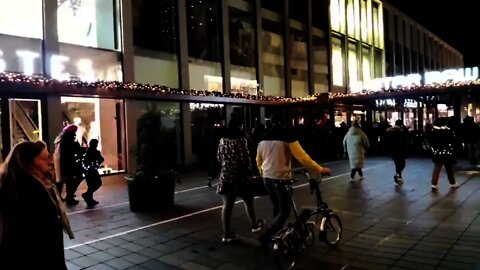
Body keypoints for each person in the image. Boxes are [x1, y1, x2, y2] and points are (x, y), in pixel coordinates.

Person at [256, 113, 331, 248]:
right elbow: (303, 158)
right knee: (285, 211)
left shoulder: (263, 140)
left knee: (277, 207)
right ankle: (267, 236)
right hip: (280, 178)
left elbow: (258, 161)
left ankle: (277, 236)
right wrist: (320, 169)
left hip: (267, 178)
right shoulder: (288, 138)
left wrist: (263, 172)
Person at [0, 141, 74, 269]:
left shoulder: (40, 184)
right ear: (28, 162)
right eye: (45, 159)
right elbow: (36, 234)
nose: (51, 162)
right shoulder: (28, 190)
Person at [217, 117, 264, 243]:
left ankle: (226, 234)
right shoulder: (241, 140)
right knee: (248, 201)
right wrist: (251, 173)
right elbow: (245, 160)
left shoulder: (222, 140)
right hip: (240, 177)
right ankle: (254, 225)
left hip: (226, 176)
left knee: (227, 206)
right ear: (239, 127)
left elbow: (219, 158)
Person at [54, 124, 84, 205]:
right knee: (71, 180)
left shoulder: (61, 137)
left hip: (62, 163)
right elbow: (74, 150)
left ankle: (61, 197)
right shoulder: (68, 139)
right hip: (68, 164)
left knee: (62, 180)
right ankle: (69, 197)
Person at [429, 117, 458, 191]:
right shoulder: (448, 132)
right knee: (449, 169)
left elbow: (431, 142)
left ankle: (434, 184)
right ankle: (452, 183)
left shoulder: (433, 132)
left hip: (437, 152)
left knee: (437, 168)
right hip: (448, 153)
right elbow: (453, 141)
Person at [82, 139, 104, 208]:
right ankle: (87, 195)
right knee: (97, 183)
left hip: (87, 171)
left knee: (91, 185)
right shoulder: (95, 152)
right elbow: (101, 159)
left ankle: (90, 199)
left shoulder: (87, 151)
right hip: (92, 171)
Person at [387, 119, 410, 185]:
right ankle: (397, 175)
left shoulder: (390, 131)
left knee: (397, 163)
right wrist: (405, 127)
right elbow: (407, 136)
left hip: (393, 150)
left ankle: (398, 177)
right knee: (402, 163)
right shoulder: (401, 132)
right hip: (400, 150)